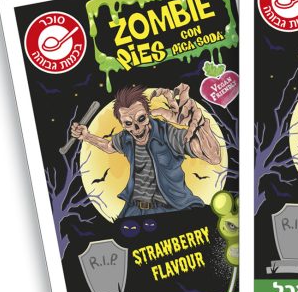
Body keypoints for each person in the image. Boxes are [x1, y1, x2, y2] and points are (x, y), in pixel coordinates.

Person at [71, 85, 219, 216]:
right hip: (135, 210)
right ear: (122, 124)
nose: (136, 128)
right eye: (128, 123)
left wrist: (199, 124)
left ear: (148, 114)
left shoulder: (166, 133)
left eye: (141, 119)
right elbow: (109, 147)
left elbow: (213, 157)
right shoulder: (126, 138)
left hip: (170, 207)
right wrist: (86, 136)